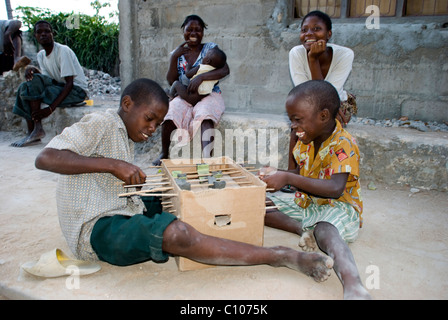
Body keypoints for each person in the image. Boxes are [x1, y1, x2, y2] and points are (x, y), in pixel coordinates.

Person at [34, 78, 334, 283]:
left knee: (178, 198)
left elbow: (115, 179)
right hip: (95, 229)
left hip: (118, 208)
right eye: (149, 118)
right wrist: (114, 165)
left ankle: (219, 235)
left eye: (157, 122)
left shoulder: (121, 131)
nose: (152, 128)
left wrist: (128, 177)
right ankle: (276, 256)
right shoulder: (100, 122)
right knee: (177, 233)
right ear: (127, 104)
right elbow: (45, 158)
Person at [261, 80, 371, 299]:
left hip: (339, 208)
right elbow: (299, 175)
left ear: (323, 116)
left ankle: (353, 284)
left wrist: (287, 177)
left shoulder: (344, 144)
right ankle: (303, 230)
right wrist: (275, 175)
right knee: (257, 204)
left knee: (325, 230)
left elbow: (335, 188)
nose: (293, 125)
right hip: (307, 203)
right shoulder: (305, 139)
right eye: (291, 119)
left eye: (297, 119)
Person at [284, 10, 356, 186]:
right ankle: (293, 174)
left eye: (317, 29)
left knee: (329, 126)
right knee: (297, 128)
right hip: (307, 102)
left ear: (328, 34)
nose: (309, 34)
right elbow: (305, 92)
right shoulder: (296, 53)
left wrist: (313, 59)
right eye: (304, 29)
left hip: (337, 102)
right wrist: (310, 58)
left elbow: (327, 93)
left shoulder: (345, 55)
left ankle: (329, 172)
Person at [153, 15, 230, 165]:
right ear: (184, 31)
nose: (193, 33)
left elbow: (225, 70)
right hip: (186, 93)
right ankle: (164, 152)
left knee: (205, 114)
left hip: (209, 93)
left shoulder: (210, 49)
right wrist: (174, 57)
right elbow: (171, 79)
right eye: (189, 30)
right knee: (171, 111)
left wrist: (201, 77)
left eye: (198, 30)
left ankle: (206, 159)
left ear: (203, 32)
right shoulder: (179, 53)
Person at [10, 20, 88, 148]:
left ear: (53, 34)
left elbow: (69, 84)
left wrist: (50, 109)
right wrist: (34, 70)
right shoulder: (41, 55)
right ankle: (32, 132)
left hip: (76, 91)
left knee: (33, 83)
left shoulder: (62, 51)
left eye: (47, 31)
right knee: (24, 86)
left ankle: (38, 128)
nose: (43, 34)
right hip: (59, 87)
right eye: (39, 32)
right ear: (35, 36)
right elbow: (48, 79)